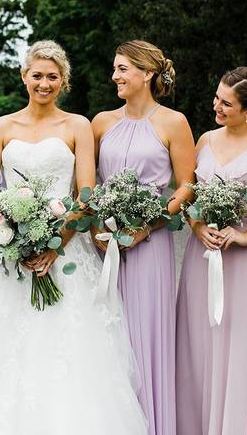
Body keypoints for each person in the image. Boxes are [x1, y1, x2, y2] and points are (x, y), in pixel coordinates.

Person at [0, 40, 147, 434]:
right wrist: (5, 231)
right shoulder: (1, 127)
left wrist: (56, 244)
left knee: (67, 356)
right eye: (37, 75)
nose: (44, 83)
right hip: (9, 258)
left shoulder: (77, 126)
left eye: (53, 76)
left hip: (66, 255)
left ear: (63, 80)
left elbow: (85, 194)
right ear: (24, 76)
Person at [176, 67, 247, 434]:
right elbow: (187, 197)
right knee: (202, 344)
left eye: (227, 103)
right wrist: (197, 227)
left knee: (244, 344)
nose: (217, 106)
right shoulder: (206, 140)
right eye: (217, 98)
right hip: (204, 257)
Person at [91, 40, 195, 435]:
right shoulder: (101, 122)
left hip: (149, 246)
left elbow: (187, 186)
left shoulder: (174, 122)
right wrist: (98, 224)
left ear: (146, 73)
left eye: (122, 69)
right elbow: (89, 182)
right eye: (115, 69)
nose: (114, 76)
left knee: (143, 335)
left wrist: (146, 224)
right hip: (104, 244)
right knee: (105, 331)